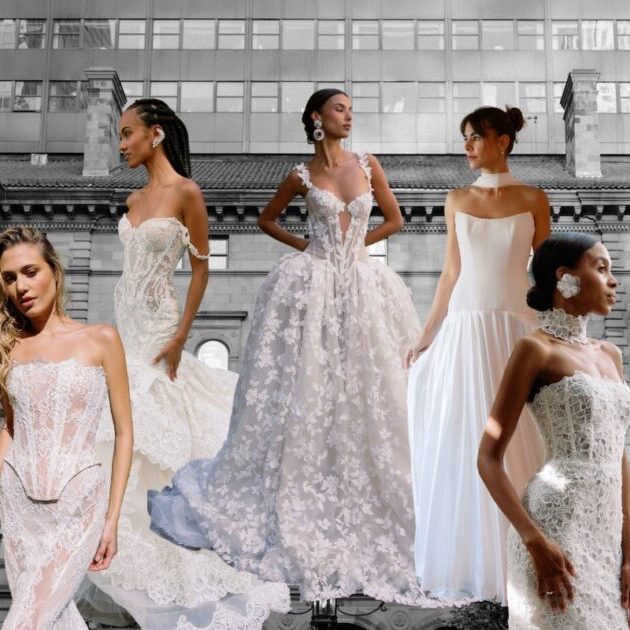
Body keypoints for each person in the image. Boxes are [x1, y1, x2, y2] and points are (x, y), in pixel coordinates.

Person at [149, 88, 425, 605]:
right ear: (317, 119)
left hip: (362, 285)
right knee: (308, 384)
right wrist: (311, 247)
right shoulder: (300, 175)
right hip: (312, 284)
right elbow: (266, 219)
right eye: (340, 108)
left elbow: (395, 219)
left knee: (369, 386)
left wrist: (351, 248)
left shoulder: (369, 164)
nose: (350, 114)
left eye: (350, 108)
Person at [79, 98, 290, 629]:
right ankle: (134, 556)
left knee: (167, 436)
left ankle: (193, 572)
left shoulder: (187, 193)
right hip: (125, 330)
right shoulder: (131, 198)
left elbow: (200, 271)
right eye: (118, 134)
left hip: (159, 333)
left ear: (155, 134)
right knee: (119, 435)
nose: (120, 142)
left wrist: (180, 337)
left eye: (127, 133)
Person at [407, 105, 550, 604]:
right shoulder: (455, 199)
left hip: (516, 326)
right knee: (465, 434)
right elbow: (451, 273)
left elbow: (548, 274)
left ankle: (529, 557)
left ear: (502, 141)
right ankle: (479, 566)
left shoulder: (535, 198)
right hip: (466, 328)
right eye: (464, 138)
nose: (466, 145)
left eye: (474, 137)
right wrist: (427, 333)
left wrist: (559, 331)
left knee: (520, 440)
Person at [478, 232, 630, 628]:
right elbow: (488, 459)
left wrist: (629, 555)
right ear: (566, 278)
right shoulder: (536, 350)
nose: (613, 280)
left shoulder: (611, 355)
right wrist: (535, 542)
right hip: (554, 529)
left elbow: (620, 458)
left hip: (607, 536)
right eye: (601, 268)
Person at [0, 226, 133, 629]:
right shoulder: (6, 346)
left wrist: (111, 520)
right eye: (9, 278)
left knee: (25, 622)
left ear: (54, 272)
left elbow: (125, 433)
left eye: (30, 271)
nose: (21, 286)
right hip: (18, 507)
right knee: (54, 620)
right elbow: (9, 427)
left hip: (79, 505)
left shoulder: (101, 338)